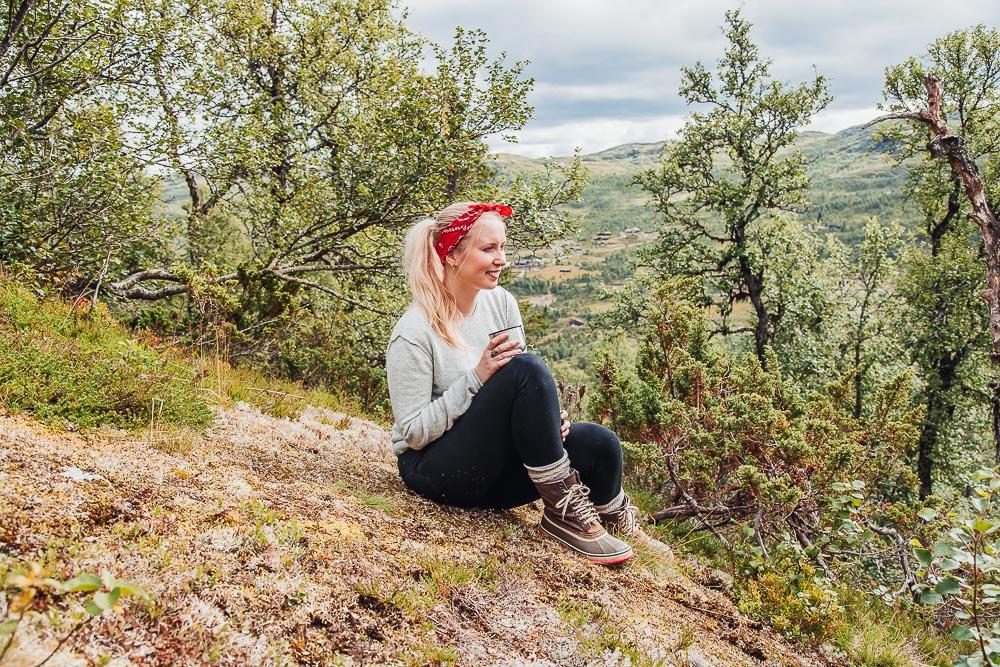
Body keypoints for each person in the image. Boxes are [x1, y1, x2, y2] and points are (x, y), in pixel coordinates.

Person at [385, 201, 672, 565]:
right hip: (438, 472)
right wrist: (478, 376)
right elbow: (412, 434)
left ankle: (615, 520)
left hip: (492, 475)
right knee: (527, 368)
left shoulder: (501, 303)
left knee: (600, 442)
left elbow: (521, 394)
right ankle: (566, 517)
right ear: (453, 255)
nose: (501, 259)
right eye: (489, 249)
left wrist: (547, 420)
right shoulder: (413, 332)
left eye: (503, 247)